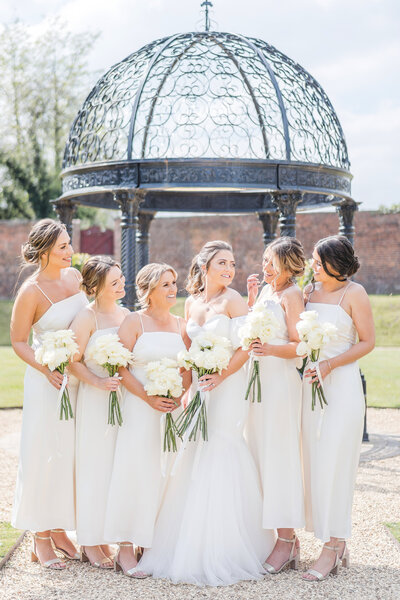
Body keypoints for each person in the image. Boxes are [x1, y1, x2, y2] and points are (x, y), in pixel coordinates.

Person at [138, 240, 274, 586]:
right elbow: (187, 350)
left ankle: (230, 545)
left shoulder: (233, 300)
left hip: (227, 385)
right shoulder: (192, 302)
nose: (229, 269)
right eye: (222, 263)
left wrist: (223, 373)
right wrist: (185, 387)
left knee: (221, 444)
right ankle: (186, 540)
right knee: (196, 450)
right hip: (200, 386)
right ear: (204, 266)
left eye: (232, 263)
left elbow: (248, 344)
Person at [10, 219, 88, 569]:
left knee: (68, 456)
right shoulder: (31, 291)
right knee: (43, 454)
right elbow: (18, 341)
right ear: (44, 251)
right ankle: (39, 538)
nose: (70, 252)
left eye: (69, 244)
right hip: (48, 383)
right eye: (63, 247)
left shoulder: (74, 278)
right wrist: (46, 369)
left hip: (76, 382)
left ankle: (58, 529)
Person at [104, 263, 189, 578]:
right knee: (135, 470)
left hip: (172, 410)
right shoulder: (134, 321)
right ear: (149, 290)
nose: (172, 289)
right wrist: (147, 397)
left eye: (174, 282)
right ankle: (125, 549)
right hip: (140, 409)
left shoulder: (182, 323)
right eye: (165, 284)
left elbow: (188, 367)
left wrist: (179, 393)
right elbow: (120, 367)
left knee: (166, 474)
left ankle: (152, 543)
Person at [301, 235, 375, 581]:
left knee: (336, 461)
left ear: (336, 263)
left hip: (341, 386)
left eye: (318, 261)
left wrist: (330, 365)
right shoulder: (309, 293)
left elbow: (368, 341)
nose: (313, 266)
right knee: (313, 460)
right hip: (310, 387)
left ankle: (333, 544)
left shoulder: (354, 294)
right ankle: (327, 538)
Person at [246, 237, 305, 574]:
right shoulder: (268, 292)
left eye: (272, 263)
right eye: (264, 260)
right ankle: (277, 536)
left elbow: (299, 346)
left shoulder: (292, 295)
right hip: (258, 382)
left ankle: (286, 539)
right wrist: (254, 300)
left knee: (278, 455)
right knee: (259, 453)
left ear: (288, 266)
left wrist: (268, 350)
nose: (265, 268)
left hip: (280, 383)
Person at [69, 256, 129, 569]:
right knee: (94, 467)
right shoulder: (86, 317)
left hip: (123, 401)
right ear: (96, 287)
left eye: (121, 280)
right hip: (95, 400)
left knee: (116, 467)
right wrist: (99, 381)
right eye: (114, 283)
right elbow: (72, 360)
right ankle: (90, 542)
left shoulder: (127, 314)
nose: (122, 286)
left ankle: (110, 534)